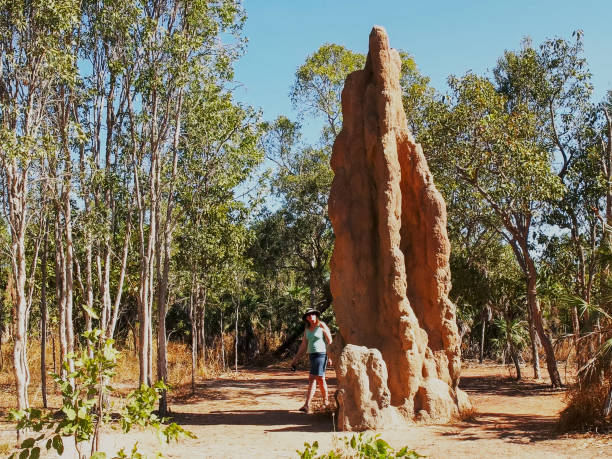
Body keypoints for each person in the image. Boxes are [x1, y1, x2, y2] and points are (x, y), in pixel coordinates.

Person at [290, 308, 333, 413]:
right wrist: (296, 358)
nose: (311, 317)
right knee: (320, 379)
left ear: (316, 315)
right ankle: (324, 402)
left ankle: (308, 404)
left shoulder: (321, 325)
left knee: (313, 378)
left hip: (321, 354)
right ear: (306, 319)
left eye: (313, 314)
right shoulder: (307, 329)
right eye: (308, 316)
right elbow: (304, 344)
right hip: (312, 355)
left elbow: (330, 340)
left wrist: (331, 355)